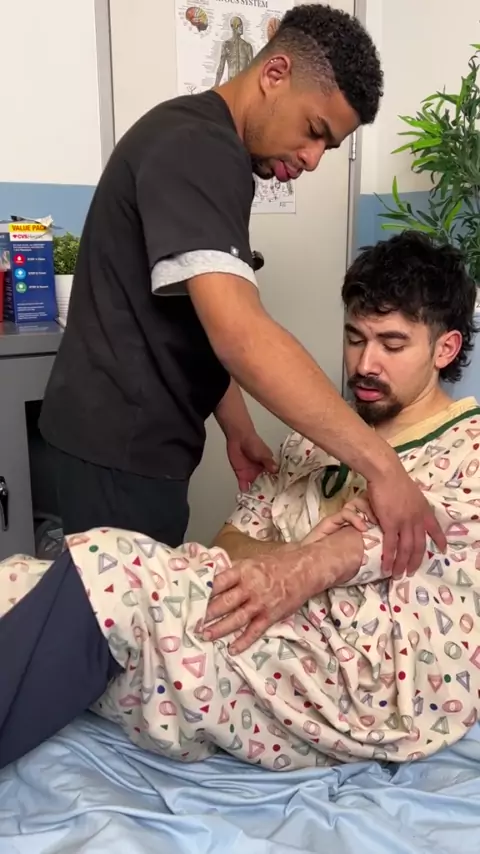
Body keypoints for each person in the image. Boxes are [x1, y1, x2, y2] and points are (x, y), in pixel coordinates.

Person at [0, 232, 477, 771]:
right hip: (250, 623)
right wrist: (291, 558)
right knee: (22, 580)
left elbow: (427, 558)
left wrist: (313, 564)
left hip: (338, 675)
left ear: (444, 349)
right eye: (354, 338)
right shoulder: (318, 440)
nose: (366, 363)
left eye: (391, 345)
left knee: (112, 571)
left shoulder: (468, 449)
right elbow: (229, 541)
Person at [39, 4, 443, 573]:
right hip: (118, 451)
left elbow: (195, 313)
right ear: (274, 74)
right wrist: (384, 467)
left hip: (127, 442)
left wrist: (238, 428)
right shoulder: (200, 147)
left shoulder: (200, 143)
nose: (311, 159)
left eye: (328, 148)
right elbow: (242, 334)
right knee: (125, 615)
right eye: (313, 131)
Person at [215, 16, 255, 85]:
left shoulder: (247, 46)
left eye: (241, 25)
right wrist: (216, 85)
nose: (241, 27)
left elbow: (253, 69)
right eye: (239, 25)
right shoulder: (227, 45)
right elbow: (221, 67)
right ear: (233, 27)